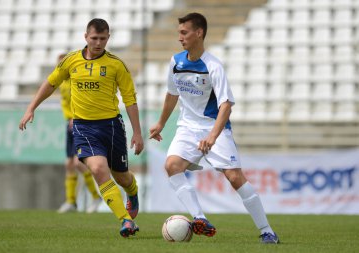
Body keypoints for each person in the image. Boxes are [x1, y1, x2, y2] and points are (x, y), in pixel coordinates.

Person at [149, 13, 280, 244]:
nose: (180, 37)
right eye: (179, 32)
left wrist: (212, 136)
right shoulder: (176, 62)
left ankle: (267, 230)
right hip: (187, 127)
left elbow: (226, 106)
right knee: (172, 165)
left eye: (184, 32)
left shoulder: (213, 66)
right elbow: (172, 94)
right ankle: (200, 218)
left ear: (198, 33)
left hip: (213, 127)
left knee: (234, 177)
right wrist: (161, 123)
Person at [19, 18, 143, 238]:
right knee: (97, 169)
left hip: (112, 126)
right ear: (85, 37)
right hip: (83, 127)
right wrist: (31, 108)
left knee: (122, 176)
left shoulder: (116, 65)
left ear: (108, 38)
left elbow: (130, 99)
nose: (98, 43)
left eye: (102, 39)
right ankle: (125, 220)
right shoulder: (71, 61)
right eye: (94, 38)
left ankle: (132, 192)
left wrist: (138, 132)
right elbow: (50, 83)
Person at [55, 53, 102, 214]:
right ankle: (71, 202)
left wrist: (77, 118)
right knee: (69, 164)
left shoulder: (78, 79)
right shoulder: (61, 82)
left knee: (78, 163)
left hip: (80, 123)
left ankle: (96, 197)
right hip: (69, 123)